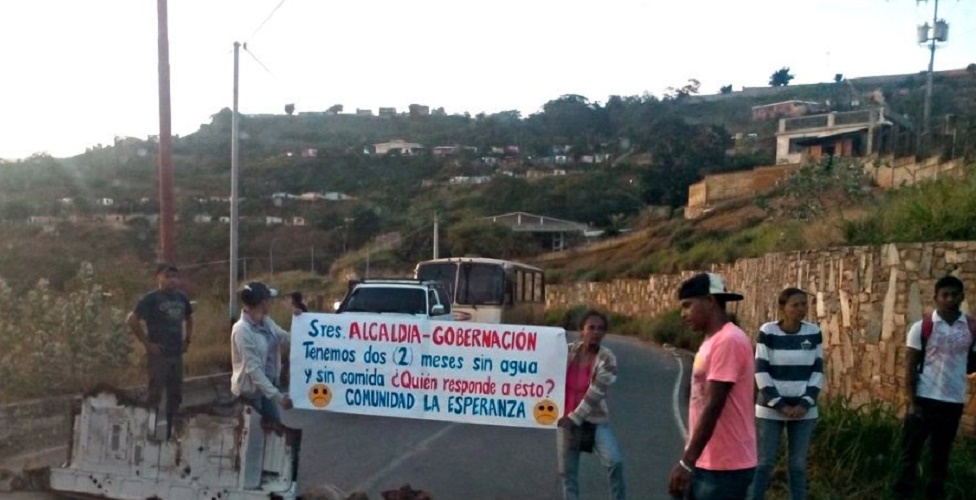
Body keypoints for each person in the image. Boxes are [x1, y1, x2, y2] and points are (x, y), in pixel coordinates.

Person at [668, 272, 755, 500]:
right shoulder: (711, 340)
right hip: (708, 460)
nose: (683, 314)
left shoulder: (729, 341)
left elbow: (714, 404)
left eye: (688, 305)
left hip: (725, 466)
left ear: (710, 301)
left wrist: (686, 463)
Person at [893, 275, 976, 498]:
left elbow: (971, 365)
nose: (950, 299)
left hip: (953, 401)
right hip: (924, 398)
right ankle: (902, 493)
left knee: (941, 454)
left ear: (962, 297)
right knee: (910, 453)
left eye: (954, 295)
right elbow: (910, 366)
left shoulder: (970, 328)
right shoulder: (922, 328)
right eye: (945, 295)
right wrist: (911, 402)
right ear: (936, 298)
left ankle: (935, 493)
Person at [749, 288, 823, 500]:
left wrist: (804, 404)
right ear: (783, 308)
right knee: (765, 462)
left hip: (804, 411)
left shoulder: (813, 332)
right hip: (770, 409)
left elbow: (817, 371)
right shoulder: (768, 332)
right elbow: (761, 371)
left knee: (798, 465)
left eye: (803, 304)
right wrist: (781, 405)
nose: (801, 309)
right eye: (795, 305)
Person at [557, 309, 625, 500]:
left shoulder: (607, 358)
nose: (595, 332)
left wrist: (574, 418)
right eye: (591, 327)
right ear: (581, 330)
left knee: (615, 462)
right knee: (567, 474)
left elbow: (595, 393)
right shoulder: (568, 351)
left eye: (600, 329)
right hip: (565, 419)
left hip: (594, 420)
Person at [126, 263, 193, 437]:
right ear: (158, 277)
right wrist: (147, 344)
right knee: (155, 394)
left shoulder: (181, 298)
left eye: (174, 276)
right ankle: (149, 433)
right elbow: (132, 320)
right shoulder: (151, 299)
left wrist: (188, 340)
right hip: (159, 354)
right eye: (167, 276)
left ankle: (173, 434)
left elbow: (189, 317)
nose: (172, 280)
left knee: (175, 395)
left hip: (176, 353)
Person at [231, 281, 294, 425]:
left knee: (274, 430)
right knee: (256, 438)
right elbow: (254, 370)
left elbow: (284, 337)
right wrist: (278, 397)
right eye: (269, 300)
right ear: (263, 303)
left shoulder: (266, 321)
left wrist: (302, 321)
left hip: (268, 388)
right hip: (250, 394)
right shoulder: (242, 330)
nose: (271, 303)